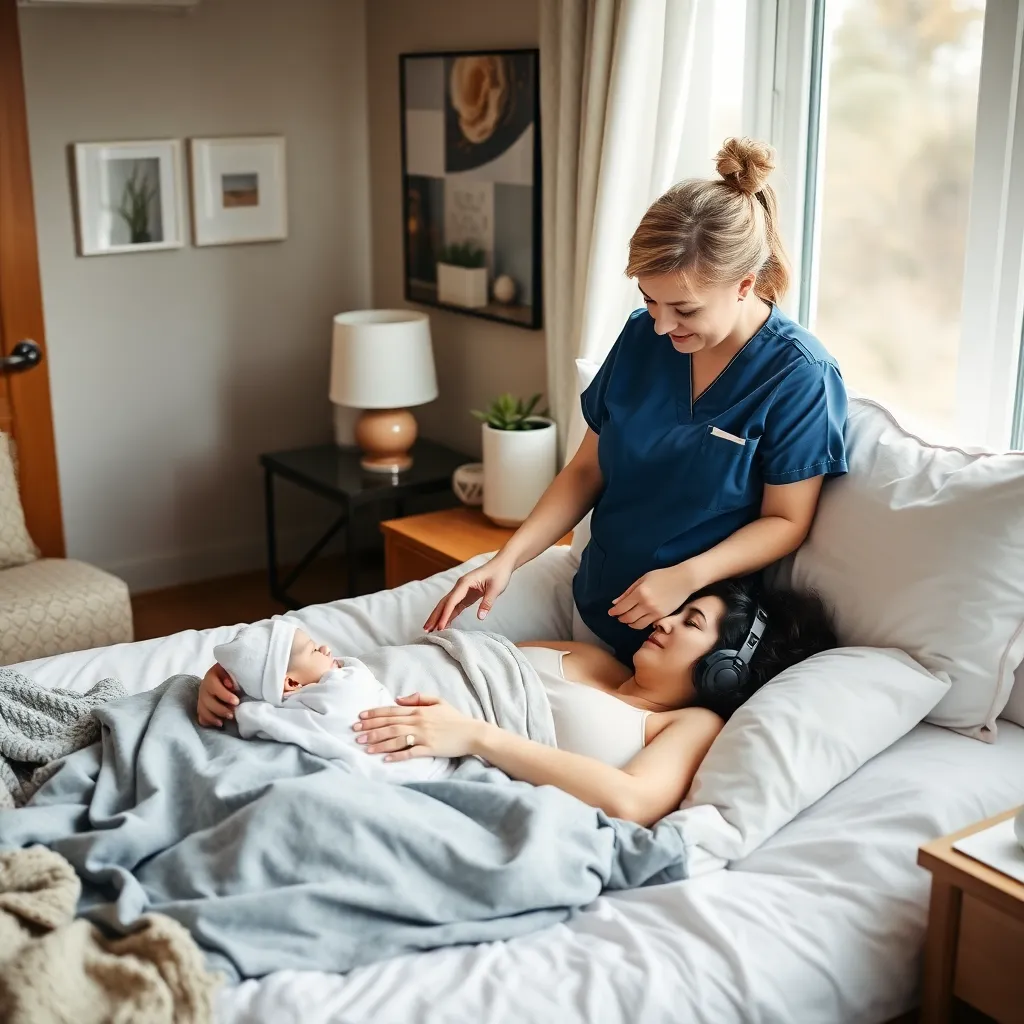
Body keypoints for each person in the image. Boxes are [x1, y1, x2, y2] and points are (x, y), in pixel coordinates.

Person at [424, 137, 848, 665]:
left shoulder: (799, 376)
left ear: (743, 285)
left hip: (686, 642)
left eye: (685, 309)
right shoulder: (643, 336)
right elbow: (585, 471)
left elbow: (786, 521)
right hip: (597, 602)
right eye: (649, 300)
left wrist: (685, 578)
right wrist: (507, 560)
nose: (663, 324)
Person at [196, 581, 836, 826]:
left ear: (724, 670)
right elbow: (457, 661)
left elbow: (630, 801)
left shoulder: (687, 722)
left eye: (690, 621)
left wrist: (473, 737)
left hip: (393, 750)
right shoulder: (588, 657)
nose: (665, 621)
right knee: (187, 725)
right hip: (321, 696)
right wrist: (245, 675)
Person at [211, 622, 451, 782]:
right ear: (292, 684)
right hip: (416, 772)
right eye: (314, 650)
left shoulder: (277, 711)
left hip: (402, 771)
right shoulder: (345, 682)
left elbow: (252, 716)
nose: (326, 648)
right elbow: (357, 671)